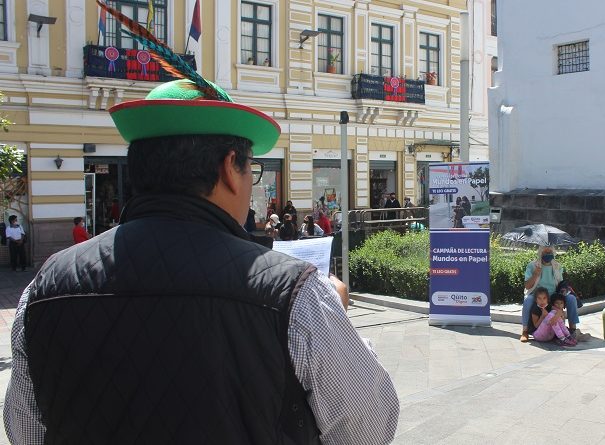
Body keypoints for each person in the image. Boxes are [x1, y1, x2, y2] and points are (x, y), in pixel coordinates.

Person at [3, 8, 398, 443]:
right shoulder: (293, 293)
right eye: (254, 169)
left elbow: (25, 431)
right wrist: (335, 313)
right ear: (231, 168)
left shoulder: (45, 288)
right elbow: (370, 427)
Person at [520, 246, 581, 342]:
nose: (548, 254)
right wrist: (535, 274)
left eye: (550, 251)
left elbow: (560, 283)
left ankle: (572, 329)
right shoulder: (532, 265)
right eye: (545, 251)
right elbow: (527, 286)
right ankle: (525, 331)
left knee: (571, 299)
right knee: (528, 301)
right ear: (540, 253)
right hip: (537, 294)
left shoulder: (557, 266)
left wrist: (563, 293)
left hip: (553, 294)